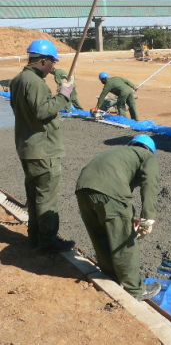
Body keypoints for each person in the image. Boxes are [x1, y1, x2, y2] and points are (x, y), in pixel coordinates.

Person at [75, 134, 161, 301]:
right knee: (123, 243)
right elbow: (150, 182)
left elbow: (121, 191)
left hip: (83, 190)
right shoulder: (147, 156)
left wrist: (131, 217)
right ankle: (135, 290)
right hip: (109, 193)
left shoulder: (119, 154)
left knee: (101, 237)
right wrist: (148, 217)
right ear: (150, 150)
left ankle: (111, 277)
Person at [9, 39, 76, 253]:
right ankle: (47, 243)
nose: (53, 67)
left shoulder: (18, 79)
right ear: (44, 60)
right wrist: (64, 94)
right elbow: (42, 111)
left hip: (28, 147)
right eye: (52, 63)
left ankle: (35, 238)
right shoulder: (35, 82)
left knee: (34, 195)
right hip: (43, 149)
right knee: (46, 198)